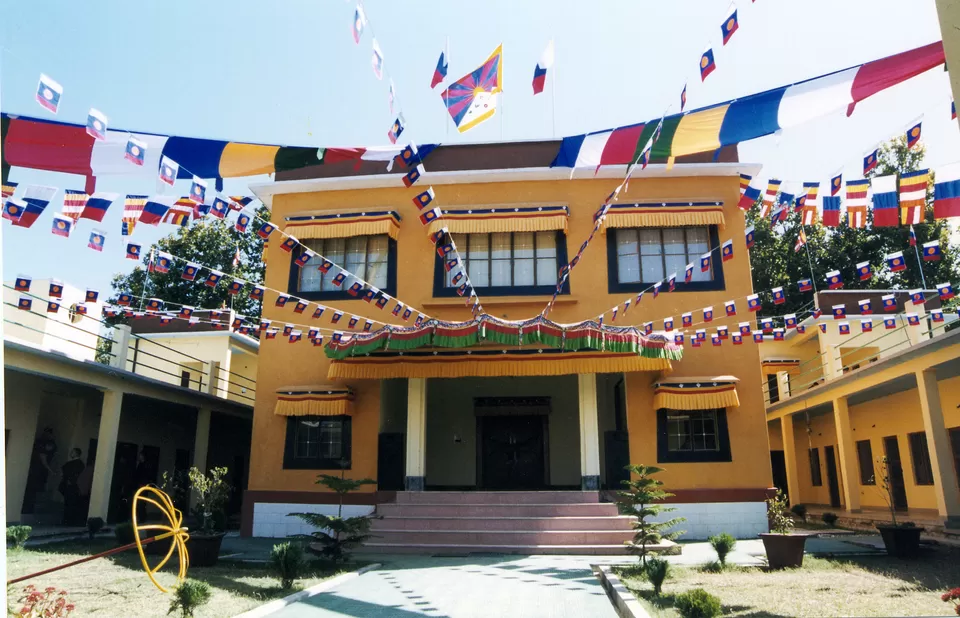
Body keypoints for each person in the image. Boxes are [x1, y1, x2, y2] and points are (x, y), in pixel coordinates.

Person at [23, 428, 58, 514]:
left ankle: (29, 510)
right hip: (37, 471)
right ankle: (29, 510)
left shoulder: (41, 442)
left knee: (33, 491)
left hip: (37, 471)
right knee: (33, 490)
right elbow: (43, 458)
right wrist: (51, 470)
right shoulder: (42, 443)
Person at [59, 448, 85, 526]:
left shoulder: (77, 464)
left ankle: (68, 521)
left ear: (76, 453)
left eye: (72, 452)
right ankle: (68, 521)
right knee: (69, 504)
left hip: (72, 487)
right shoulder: (79, 464)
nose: (71, 453)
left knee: (70, 504)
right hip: (72, 487)